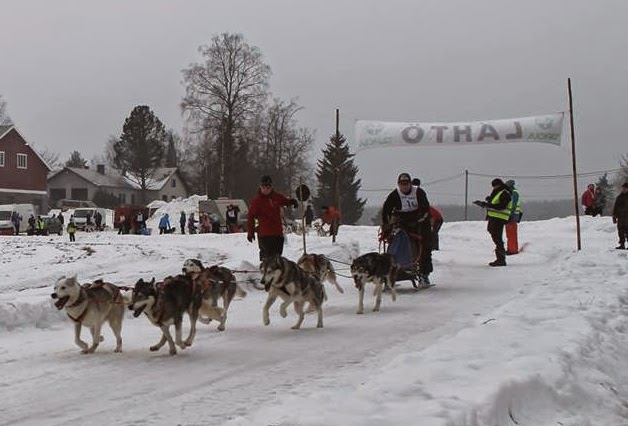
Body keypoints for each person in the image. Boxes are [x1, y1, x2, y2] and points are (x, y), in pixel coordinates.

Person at [382, 172, 433, 285]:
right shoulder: (395, 194)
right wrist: (386, 225)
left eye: (406, 183)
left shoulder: (418, 192)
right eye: (402, 184)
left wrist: (418, 220)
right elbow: (386, 210)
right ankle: (390, 268)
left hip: (420, 221)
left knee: (425, 246)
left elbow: (425, 209)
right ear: (398, 184)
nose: (404, 186)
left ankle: (424, 274)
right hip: (403, 221)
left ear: (410, 184)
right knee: (395, 241)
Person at [247, 175, 299, 261]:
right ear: (260, 187)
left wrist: (292, 202)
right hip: (265, 235)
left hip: (277, 233)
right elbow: (250, 217)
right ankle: (265, 268)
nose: (266, 189)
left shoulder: (276, 196)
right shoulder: (257, 201)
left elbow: (285, 201)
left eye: (268, 187)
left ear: (271, 187)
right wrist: (250, 232)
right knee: (267, 259)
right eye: (264, 187)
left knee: (277, 259)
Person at [474, 178, 512, 267]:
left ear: (499, 185)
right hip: (494, 217)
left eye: (495, 186)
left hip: (499, 218)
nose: (494, 188)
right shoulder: (498, 192)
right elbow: (494, 204)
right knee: (494, 235)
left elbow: (502, 206)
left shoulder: (504, 193)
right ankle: (500, 258)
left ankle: (501, 259)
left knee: (497, 238)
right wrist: (485, 203)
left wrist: (487, 205)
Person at [505, 179, 523, 255]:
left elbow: (513, 205)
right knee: (510, 233)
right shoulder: (512, 192)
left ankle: (512, 250)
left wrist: (510, 214)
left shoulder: (514, 192)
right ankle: (511, 248)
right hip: (512, 215)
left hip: (512, 215)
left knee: (511, 233)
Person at [611, 182, 628, 249]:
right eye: (623, 188)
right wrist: (614, 216)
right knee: (620, 231)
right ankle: (622, 244)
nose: (623, 189)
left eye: (625, 188)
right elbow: (615, 207)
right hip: (620, 218)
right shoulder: (619, 197)